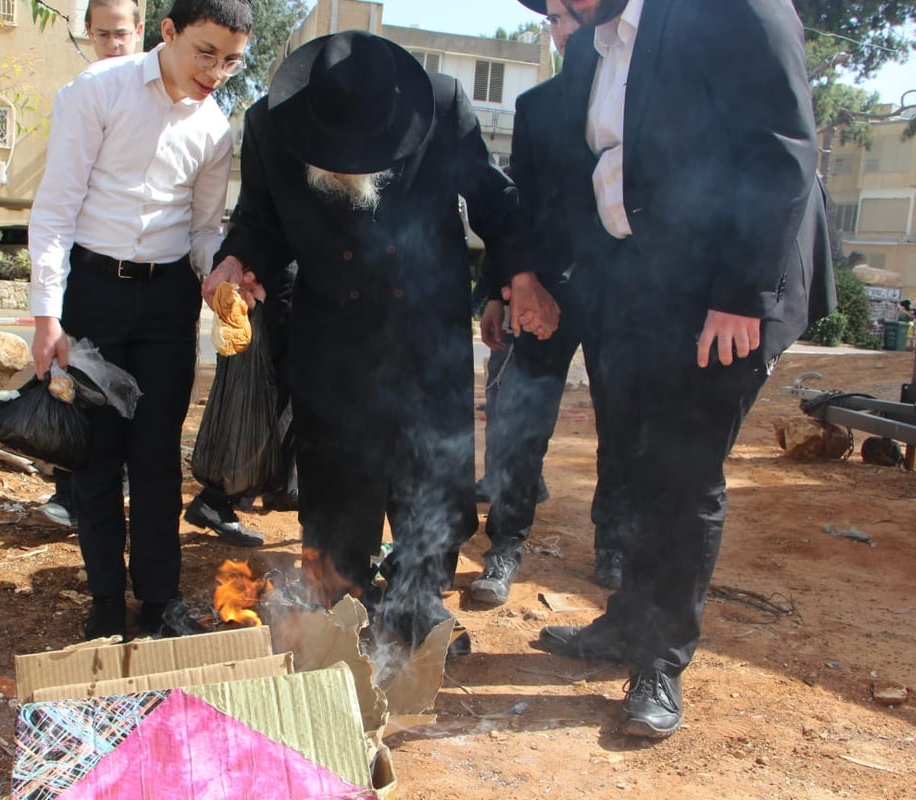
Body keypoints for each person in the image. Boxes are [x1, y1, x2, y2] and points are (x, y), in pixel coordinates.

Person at [516, 0, 834, 738]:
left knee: (683, 473)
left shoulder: (732, 8)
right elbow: (594, 169)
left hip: (725, 292)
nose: (557, 10)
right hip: (641, 283)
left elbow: (783, 147)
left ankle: (660, 660)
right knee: (630, 457)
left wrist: (741, 295)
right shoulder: (596, 44)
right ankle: (627, 621)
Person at [205, 31, 545, 659]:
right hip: (332, 331)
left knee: (431, 472)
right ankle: (343, 603)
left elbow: (496, 202)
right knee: (336, 476)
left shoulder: (443, 105)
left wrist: (519, 275)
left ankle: (418, 602)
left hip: (425, 330)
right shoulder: (269, 125)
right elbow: (258, 219)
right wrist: (236, 259)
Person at [28, 0, 253, 641]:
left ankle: (158, 601)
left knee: (155, 461)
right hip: (92, 295)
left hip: (166, 304)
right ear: (168, 32)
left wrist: (223, 274)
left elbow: (203, 231)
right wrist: (48, 318)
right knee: (94, 458)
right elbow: (54, 212)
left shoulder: (215, 129)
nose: (216, 71)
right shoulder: (99, 89)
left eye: (232, 61)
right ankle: (104, 600)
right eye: (205, 53)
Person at [472, 0, 625, 608]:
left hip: (623, 296)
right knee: (519, 421)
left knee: (621, 422)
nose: (560, 33)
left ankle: (613, 542)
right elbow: (517, 209)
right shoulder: (536, 107)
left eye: (567, 19)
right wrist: (499, 290)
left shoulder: (639, 98)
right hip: (547, 294)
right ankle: (505, 543)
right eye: (553, 22)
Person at [34, 0, 145, 530]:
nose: (111, 45)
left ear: (143, 29)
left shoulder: (170, 99)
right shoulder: (79, 95)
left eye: (120, 34)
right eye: (101, 35)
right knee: (81, 390)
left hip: (153, 282)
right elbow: (62, 196)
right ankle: (70, 491)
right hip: (91, 269)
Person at [184, 261, 299, 547]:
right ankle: (218, 497)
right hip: (271, 283)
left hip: (280, 280)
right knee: (261, 398)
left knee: (281, 391)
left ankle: (275, 485)